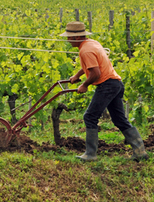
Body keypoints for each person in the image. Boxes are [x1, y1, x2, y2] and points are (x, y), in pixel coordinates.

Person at [61, 21, 149, 162]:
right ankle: (140, 152)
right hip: (116, 83)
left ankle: (90, 154)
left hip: (107, 85)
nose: (67, 40)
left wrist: (84, 84)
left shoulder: (85, 50)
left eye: (69, 37)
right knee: (119, 119)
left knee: (90, 117)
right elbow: (91, 65)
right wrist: (77, 75)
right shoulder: (91, 43)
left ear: (77, 37)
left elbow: (95, 72)